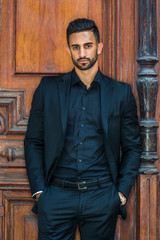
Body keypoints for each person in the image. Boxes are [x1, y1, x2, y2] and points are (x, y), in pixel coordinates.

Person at [24, 18, 141, 240]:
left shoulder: (120, 93)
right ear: (69, 49)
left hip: (101, 196)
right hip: (56, 195)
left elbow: (133, 147)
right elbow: (34, 142)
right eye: (76, 47)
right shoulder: (48, 90)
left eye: (87, 46)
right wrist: (40, 192)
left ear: (99, 47)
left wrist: (120, 194)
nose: (82, 53)